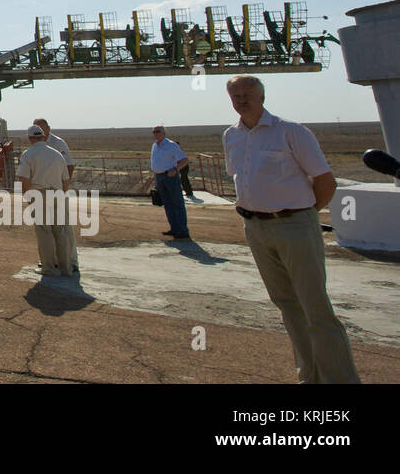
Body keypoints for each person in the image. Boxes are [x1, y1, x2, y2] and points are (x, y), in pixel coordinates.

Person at [223, 75, 359, 383]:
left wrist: (303, 215)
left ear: (262, 97)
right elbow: (240, 176)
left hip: (295, 225)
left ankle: (339, 380)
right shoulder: (231, 136)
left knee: (316, 309)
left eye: (248, 94)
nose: (242, 99)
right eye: (236, 95)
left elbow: (326, 181)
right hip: (255, 227)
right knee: (287, 305)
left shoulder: (291, 132)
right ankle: (309, 376)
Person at [17, 125, 72, 276]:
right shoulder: (56, 155)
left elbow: (24, 178)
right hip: (57, 193)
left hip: (38, 194)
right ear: (43, 136)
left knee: (44, 231)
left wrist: (28, 197)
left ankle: (48, 267)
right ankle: (65, 267)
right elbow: (66, 180)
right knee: (60, 231)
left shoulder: (28, 155)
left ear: (30, 139)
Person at [36, 118, 78, 271]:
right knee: (48, 229)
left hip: (57, 190)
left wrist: (64, 188)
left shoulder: (58, 143)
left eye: (41, 127)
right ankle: (52, 260)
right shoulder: (37, 145)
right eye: (36, 128)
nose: (39, 130)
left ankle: (71, 261)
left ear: (48, 128)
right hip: (43, 192)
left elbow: (69, 165)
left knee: (64, 228)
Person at [150, 126, 191, 239]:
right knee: (168, 204)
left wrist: (175, 170)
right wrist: (155, 179)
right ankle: (174, 228)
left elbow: (184, 160)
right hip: (159, 177)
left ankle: (182, 230)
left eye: (157, 131)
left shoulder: (171, 145)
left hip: (170, 176)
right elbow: (155, 163)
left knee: (177, 203)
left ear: (164, 133)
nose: (155, 134)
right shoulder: (155, 146)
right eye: (153, 132)